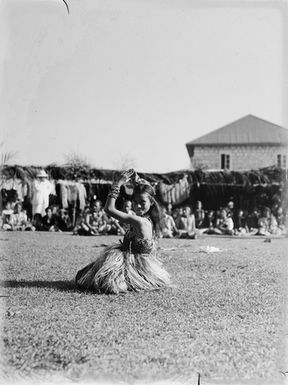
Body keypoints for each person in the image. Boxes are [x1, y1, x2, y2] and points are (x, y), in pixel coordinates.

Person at [75, 169, 171, 294]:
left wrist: (117, 184)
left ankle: (127, 280)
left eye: (142, 202)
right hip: (131, 263)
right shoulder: (147, 219)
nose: (138, 206)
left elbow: (109, 209)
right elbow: (147, 189)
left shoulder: (140, 221)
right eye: (135, 202)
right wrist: (137, 180)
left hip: (136, 267)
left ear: (151, 202)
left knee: (109, 284)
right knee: (82, 276)